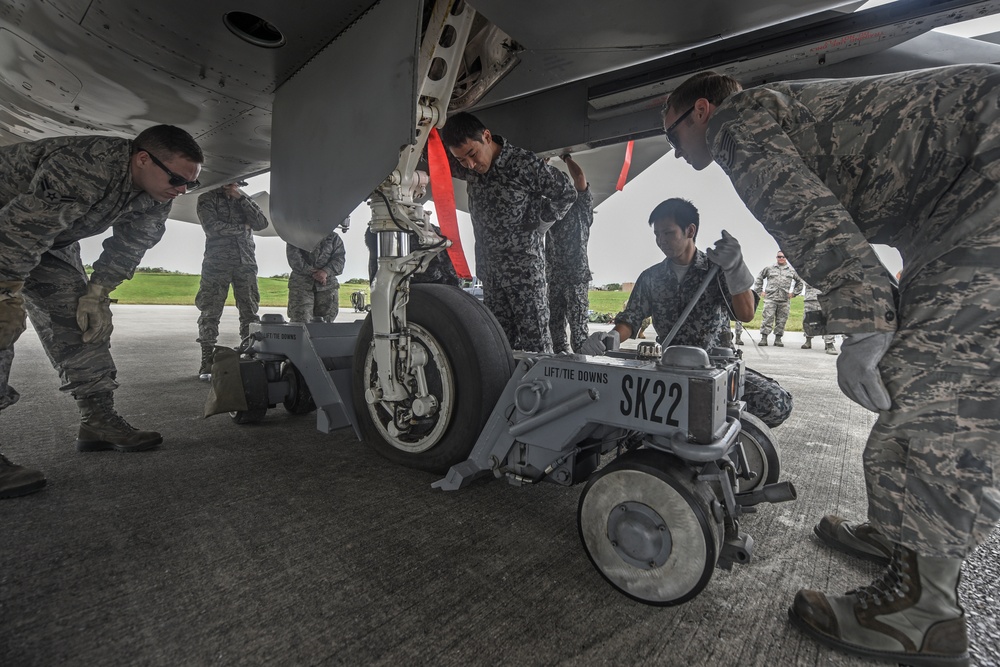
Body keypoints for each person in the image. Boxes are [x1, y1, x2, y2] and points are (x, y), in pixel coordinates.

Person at [662, 65, 1000, 665]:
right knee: (920, 376)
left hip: (983, 192)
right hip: (957, 206)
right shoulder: (785, 112)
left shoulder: (739, 122)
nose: (675, 148)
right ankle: (906, 537)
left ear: (704, 113)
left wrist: (864, 316)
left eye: (672, 134)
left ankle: (921, 614)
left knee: (941, 393)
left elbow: (801, 212)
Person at [0, 125, 204, 499]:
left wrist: (97, 292)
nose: (181, 190)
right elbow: (19, 230)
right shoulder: (87, 165)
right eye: (177, 179)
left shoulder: (158, 191)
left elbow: (132, 243)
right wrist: (5, 293)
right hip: (10, 229)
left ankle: (98, 421)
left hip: (49, 239)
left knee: (81, 319)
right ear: (142, 159)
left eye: (189, 183)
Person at [581, 198, 793, 428]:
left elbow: (745, 314)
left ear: (690, 230)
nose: (661, 241)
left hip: (714, 367)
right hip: (668, 369)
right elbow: (630, 320)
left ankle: (719, 427)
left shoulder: (717, 271)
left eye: (668, 233)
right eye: (657, 235)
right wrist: (610, 338)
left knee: (776, 403)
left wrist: (735, 269)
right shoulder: (651, 277)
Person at [441, 112, 577, 353]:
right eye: (462, 161)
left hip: (525, 275)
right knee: (499, 349)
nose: (470, 165)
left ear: (486, 136)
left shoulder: (522, 164)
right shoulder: (470, 167)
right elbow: (435, 158)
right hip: (492, 276)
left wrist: (543, 222)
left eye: (472, 154)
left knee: (536, 350)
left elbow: (567, 192)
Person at [195, 182, 269, 380]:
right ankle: (207, 360)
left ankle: (249, 354)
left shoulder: (243, 199)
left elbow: (262, 223)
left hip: (246, 263)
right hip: (217, 263)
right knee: (210, 311)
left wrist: (241, 199)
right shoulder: (207, 198)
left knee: (249, 312)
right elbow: (212, 229)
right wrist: (242, 227)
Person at [546, 154, 594, 353]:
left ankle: (583, 367)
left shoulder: (581, 207)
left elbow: (580, 178)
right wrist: (543, 163)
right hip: (555, 277)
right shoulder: (551, 211)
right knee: (554, 329)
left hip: (575, 277)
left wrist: (566, 157)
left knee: (579, 331)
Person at [286, 226, 347, 323]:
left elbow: (339, 260)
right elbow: (294, 258)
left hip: (327, 287)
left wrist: (325, 272)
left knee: (325, 323)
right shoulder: (296, 236)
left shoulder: (334, 238)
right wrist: (313, 272)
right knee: (300, 320)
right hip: (301, 286)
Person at [752, 251, 802, 347]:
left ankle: (778, 339)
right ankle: (764, 338)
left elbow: (799, 282)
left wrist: (794, 293)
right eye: (779, 257)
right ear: (776, 257)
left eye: (783, 257)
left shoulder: (791, 271)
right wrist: (759, 291)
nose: (781, 258)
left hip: (784, 299)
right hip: (771, 298)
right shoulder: (769, 268)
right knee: (767, 318)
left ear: (786, 257)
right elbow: (759, 277)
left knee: (782, 320)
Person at [800, 283, 838, 355]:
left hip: (826, 297)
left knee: (828, 320)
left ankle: (829, 344)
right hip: (810, 298)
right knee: (809, 320)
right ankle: (808, 340)